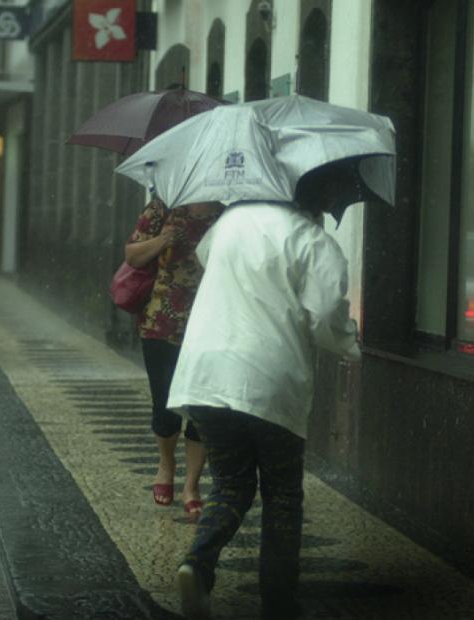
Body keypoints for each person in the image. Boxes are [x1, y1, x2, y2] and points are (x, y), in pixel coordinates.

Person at [167, 174, 362, 619]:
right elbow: (328, 316)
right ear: (317, 196)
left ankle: (197, 563)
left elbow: (204, 257)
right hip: (270, 380)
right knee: (282, 495)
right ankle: (278, 602)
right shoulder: (312, 240)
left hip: (207, 376)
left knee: (232, 485)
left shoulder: (231, 221)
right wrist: (350, 344)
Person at [125, 196, 224, 517]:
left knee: (202, 406)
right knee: (165, 403)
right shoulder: (163, 206)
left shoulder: (228, 211)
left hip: (211, 322)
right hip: (160, 322)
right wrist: (164, 239)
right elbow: (133, 255)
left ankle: (191, 485)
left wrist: (205, 253)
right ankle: (165, 468)